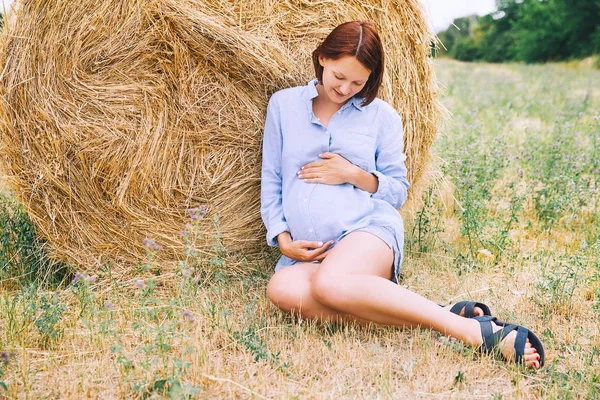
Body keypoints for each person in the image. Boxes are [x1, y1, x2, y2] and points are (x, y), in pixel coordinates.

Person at [260, 21, 544, 369]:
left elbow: (396, 190)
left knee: (330, 284)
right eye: (338, 76)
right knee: (282, 291)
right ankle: (441, 314)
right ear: (321, 58)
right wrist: (283, 239)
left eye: (358, 82)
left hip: (365, 232)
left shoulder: (382, 118)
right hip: (308, 250)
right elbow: (271, 178)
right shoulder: (283, 106)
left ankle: (473, 335)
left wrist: (353, 174)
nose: (345, 88)